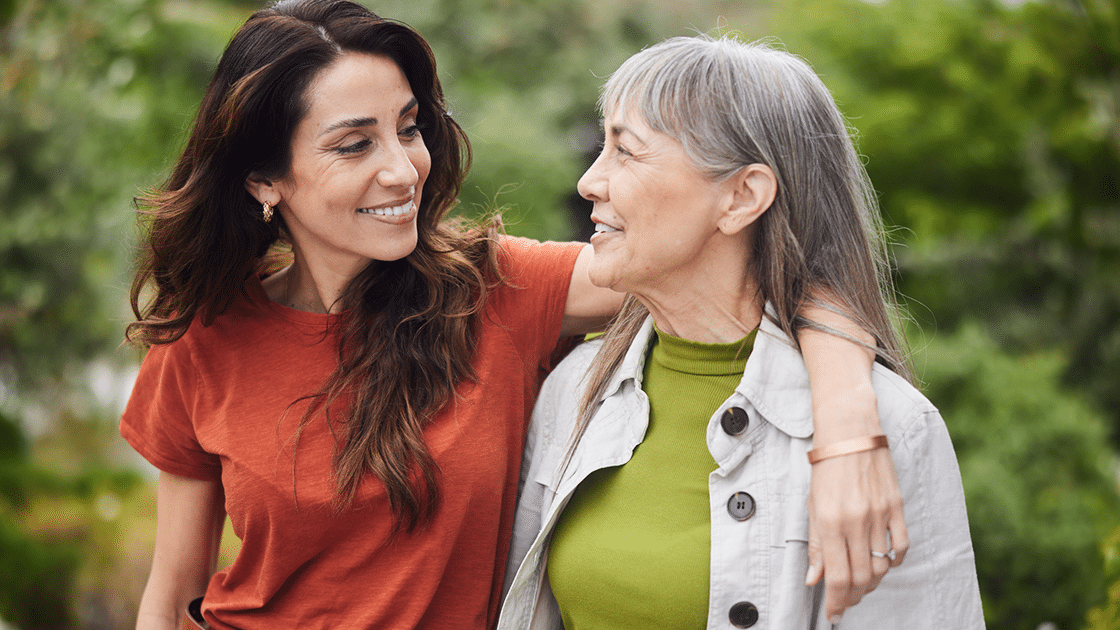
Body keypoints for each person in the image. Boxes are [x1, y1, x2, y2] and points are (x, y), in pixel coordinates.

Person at [120, 2, 906, 629]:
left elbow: (764, 260)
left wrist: (847, 431)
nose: (403, 168)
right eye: (353, 145)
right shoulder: (200, 341)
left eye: (408, 127)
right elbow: (172, 596)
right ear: (264, 178)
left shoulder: (497, 291)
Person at [498, 35, 984, 630]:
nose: (590, 182)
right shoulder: (572, 394)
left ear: (740, 197)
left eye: (626, 152)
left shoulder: (892, 428)